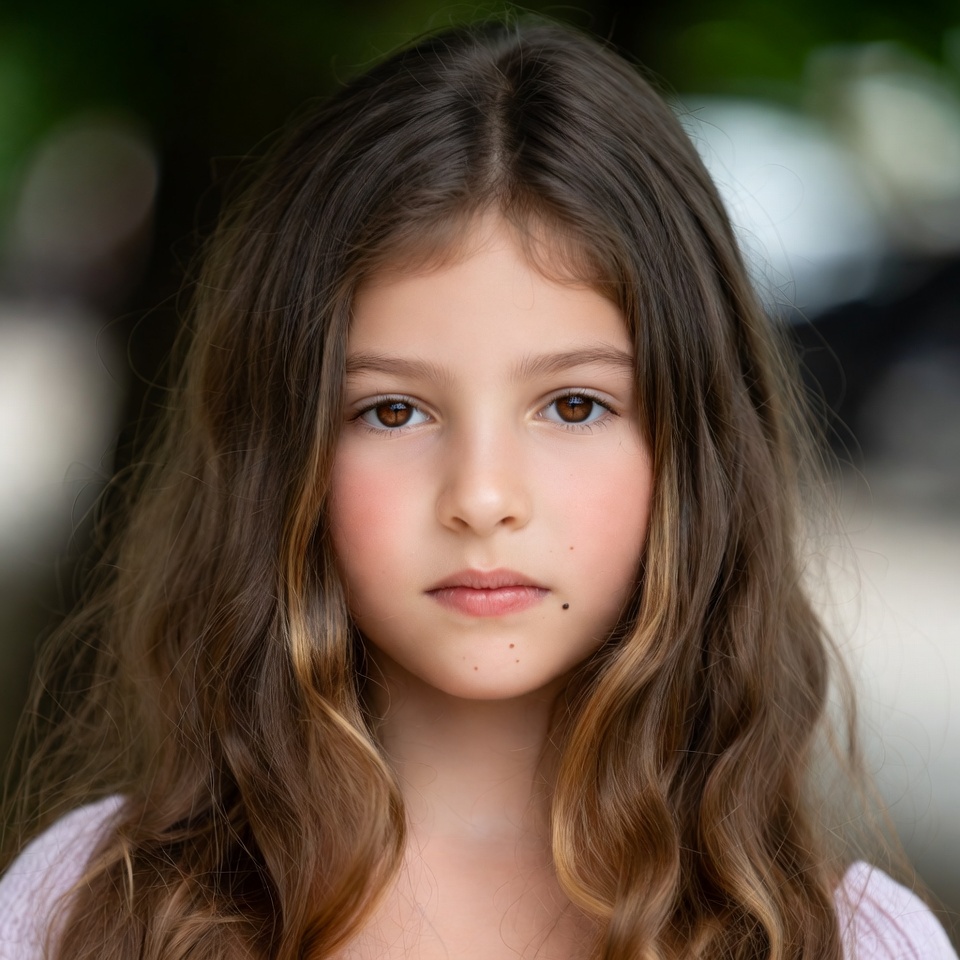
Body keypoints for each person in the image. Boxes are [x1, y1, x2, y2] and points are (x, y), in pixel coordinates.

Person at [0, 17, 955, 960]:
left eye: (575, 406)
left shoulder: (848, 944)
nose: (484, 497)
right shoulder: (90, 909)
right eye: (393, 412)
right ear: (282, 455)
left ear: (693, 449)